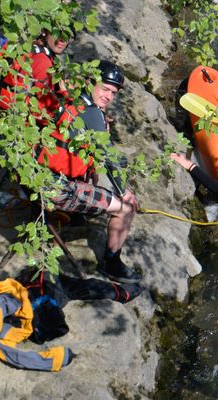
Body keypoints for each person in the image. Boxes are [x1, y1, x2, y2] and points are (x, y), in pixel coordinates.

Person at [36, 60, 140, 283]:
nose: (109, 97)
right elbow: (110, 160)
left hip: (32, 177)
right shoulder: (92, 114)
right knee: (126, 208)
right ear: (90, 82)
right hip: (55, 189)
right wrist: (124, 193)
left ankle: (76, 215)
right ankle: (112, 265)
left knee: (90, 167)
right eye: (105, 89)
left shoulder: (68, 97)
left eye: (113, 93)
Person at [0, 28, 73, 124]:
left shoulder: (29, 46)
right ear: (44, 32)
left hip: (2, 105)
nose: (62, 39)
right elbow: (48, 104)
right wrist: (66, 93)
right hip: (20, 118)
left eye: (67, 35)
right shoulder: (43, 61)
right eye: (58, 33)